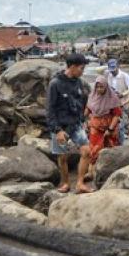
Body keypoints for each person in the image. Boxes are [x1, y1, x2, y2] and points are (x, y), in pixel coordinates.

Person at [47, 53, 93, 194]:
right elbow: (50, 109)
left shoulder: (79, 82)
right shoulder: (55, 84)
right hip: (61, 127)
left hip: (76, 125)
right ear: (72, 67)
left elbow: (81, 102)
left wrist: (84, 119)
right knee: (62, 157)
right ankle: (66, 183)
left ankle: (79, 183)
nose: (82, 71)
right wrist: (57, 130)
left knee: (86, 151)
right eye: (81, 68)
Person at [85, 76, 122, 176]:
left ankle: (111, 171)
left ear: (106, 87)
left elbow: (116, 115)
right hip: (95, 126)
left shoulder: (112, 98)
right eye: (97, 87)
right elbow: (87, 110)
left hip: (110, 127)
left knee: (111, 147)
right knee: (94, 148)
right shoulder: (92, 97)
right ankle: (91, 172)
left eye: (102, 87)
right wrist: (84, 120)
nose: (99, 89)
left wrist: (110, 129)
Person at [106, 59, 129, 143]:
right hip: (113, 101)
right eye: (111, 70)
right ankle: (119, 132)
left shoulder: (124, 75)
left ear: (118, 67)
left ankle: (124, 132)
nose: (112, 72)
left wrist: (122, 94)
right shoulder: (109, 75)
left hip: (123, 100)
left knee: (123, 116)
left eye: (114, 70)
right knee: (115, 117)